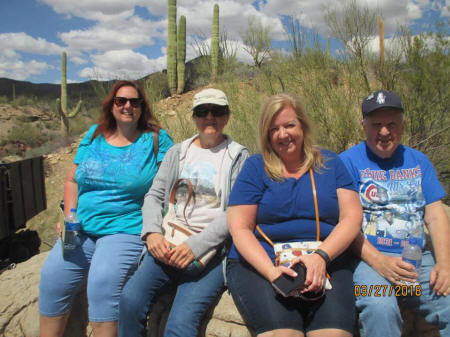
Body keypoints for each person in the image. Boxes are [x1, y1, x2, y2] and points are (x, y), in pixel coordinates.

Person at [39, 80, 174, 337]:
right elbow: (71, 180)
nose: (127, 106)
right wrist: (69, 216)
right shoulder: (94, 135)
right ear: (111, 105)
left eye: (134, 102)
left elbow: (172, 184)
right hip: (81, 229)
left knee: (102, 283)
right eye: (120, 101)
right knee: (52, 279)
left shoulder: (156, 139)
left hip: (125, 229)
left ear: (142, 107)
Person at [226, 93, 362, 337]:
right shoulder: (255, 168)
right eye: (274, 128)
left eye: (290, 125)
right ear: (266, 134)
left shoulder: (330, 163)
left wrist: (321, 256)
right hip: (262, 263)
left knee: (333, 334)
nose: (283, 134)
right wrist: (271, 272)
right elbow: (240, 228)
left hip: (326, 259)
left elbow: (351, 218)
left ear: (303, 126)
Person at [118, 88, 249, 337]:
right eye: (202, 111)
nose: (209, 117)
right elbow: (154, 196)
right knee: (130, 302)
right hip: (168, 244)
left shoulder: (238, 157)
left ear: (227, 116)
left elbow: (235, 211)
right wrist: (152, 234)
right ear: (194, 117)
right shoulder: (178, 152)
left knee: (179, 326)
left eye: (217, 111)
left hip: (208, 255)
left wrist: (195, 246)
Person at [339, 90, 450, 337]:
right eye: (376, 124)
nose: (384, 132)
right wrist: (380, 262)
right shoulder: (346, 162)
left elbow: (435, 215)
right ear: (363, 125)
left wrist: (445, 265)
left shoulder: (418, 161)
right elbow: (345, 224)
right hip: (368, 265)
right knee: (380, 307)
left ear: (403, 125)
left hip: (418, 266)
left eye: (391, 124)